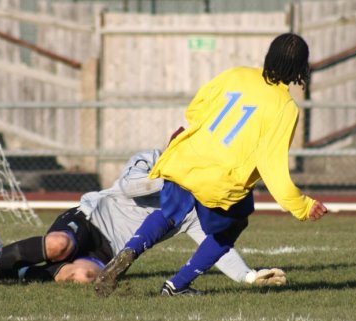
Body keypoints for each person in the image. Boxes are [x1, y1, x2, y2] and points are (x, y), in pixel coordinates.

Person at [94, 33, 328, 297]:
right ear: (300, 67)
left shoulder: (237, 74)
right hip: (221, 179)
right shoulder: (285, 107)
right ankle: (177, 286)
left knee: (170, 214)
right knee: (232, 227)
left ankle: (129, 251)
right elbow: (272, 165)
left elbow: (196, 109)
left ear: (269, 55)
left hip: (186, 158)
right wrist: (302, 205)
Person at [0, 149, 286, 286]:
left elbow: (217, 245)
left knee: (83, 276)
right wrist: (172, 177)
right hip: (89, 219)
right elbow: (128, 188)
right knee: (60, 245)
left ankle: (16, 271)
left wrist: (250, 277)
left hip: (108, 253)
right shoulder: (152, 158)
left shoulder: (195, 209)